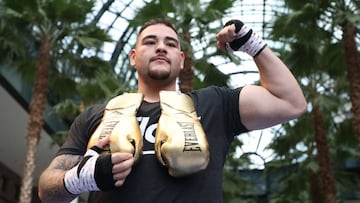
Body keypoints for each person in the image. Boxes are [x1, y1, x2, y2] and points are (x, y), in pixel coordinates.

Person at [38, 18, 306, 203]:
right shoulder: (97, 116)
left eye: (171, 43)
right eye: (150, 41)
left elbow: (291, 102)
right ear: (133, 57)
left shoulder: (215, 104)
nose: (161, 47)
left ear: (181, 60)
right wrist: (79, 179)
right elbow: (46, 190)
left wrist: (250, 43)